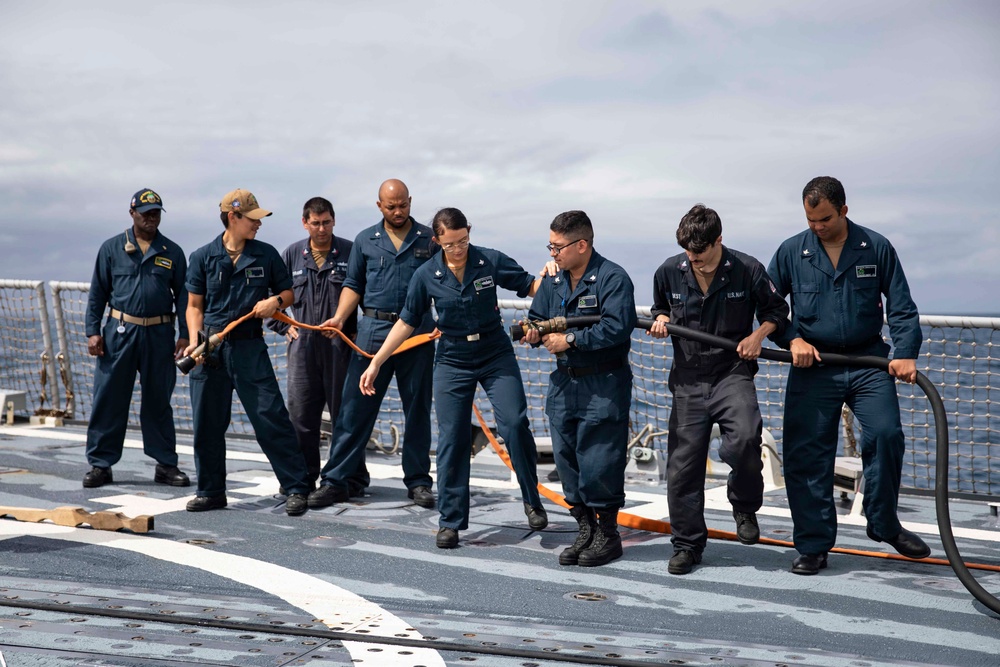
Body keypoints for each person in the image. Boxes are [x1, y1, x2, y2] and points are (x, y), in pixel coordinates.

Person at [768, 176, 930, 575]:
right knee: (806, 454)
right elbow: (769, 308)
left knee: (887, 434)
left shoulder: (875, 247)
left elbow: (903, 308)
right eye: (810, 220)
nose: (818, 227)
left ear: (843, 209)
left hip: (868, 364)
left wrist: (906, 353)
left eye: (824, 218)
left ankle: (883, 522)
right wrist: (793, 340)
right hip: (814, 366)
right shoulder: (791, 252)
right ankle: (813, 545)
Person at [360, 207, 548, 549]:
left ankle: (532, 500)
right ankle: (450, 522)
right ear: (437, 242)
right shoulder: (425, 274)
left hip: (495, 353)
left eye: (463, 241)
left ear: (469, 233)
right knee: (452, 438)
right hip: (452, 359)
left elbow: (531, 286)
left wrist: (554, 276)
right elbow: (406, 321)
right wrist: (376, 362)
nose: (458, 249)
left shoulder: (488, 261)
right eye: (450, 245)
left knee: (514, 423)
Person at [648, 204, 789, 575]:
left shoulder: (748, 269)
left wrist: (758, 335)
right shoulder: (668, 271)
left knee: (744, 438)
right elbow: (659, 308)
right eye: (690, 256)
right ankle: (687, 545)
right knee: (682, 468)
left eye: (703, 255)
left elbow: (777, 311)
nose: (696, 262)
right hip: (688, 378)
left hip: (732, 372)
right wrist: (660, 319)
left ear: (719, 241)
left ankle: (743, 503)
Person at [307, 179, 437, 509]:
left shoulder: (428, 239)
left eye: (403, 205)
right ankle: (336, 479)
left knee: (417, 410)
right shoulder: (365, 240)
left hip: (418, 334)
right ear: (379, 206)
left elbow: (444, 282)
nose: (398, 211)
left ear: (411, 201)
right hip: (373, 331)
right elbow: (354, 285)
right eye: (390, 206)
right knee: (353, 409)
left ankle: (419, 481)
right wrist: (338, 318)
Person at [182, 188, 312, 516]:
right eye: (252, 218)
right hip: (210, 348)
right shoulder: (201, 257)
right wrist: (194, 342)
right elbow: (194, 305)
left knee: (270, 416)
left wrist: (276, 302)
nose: (258, 224)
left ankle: (296, 487)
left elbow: (288, 293)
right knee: (207, 422)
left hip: (250, 347)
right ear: (232, 218)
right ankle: (210, 491)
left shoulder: (266, 255)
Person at [523, 210, 635, 567]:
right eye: (551, 247)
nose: (552, 254)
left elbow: (618, 328)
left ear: (581, 245)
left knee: (600, 460)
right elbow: (538, 317)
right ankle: (584, 528)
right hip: (564, 384)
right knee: (567, 459)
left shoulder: (613, 278)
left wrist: (569, 338)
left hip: (602, 384)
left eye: (558, 247)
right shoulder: (554, 281)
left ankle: (608, 533)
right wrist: (533, 331)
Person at [82, 188, 191, 488]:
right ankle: (101, 465)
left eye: (156, 212)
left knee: (159, 399)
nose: (152, 218)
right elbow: (97, 294)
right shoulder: (111, 249)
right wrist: (93, 331)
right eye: (146, 213)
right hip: (119, 333)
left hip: (159, 334)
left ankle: (166, 464)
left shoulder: (172, 252)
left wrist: (185, 334)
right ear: (132, 214)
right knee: (109, 399)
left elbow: (184, 297)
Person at [267, 197, 356, 489]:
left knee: (346, 413)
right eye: (315, 223)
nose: (321, 229)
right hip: (302, 346)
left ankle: (348, 477)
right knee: (301, 415)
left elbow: (364, 295)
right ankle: (303, 476)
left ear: (334, 220)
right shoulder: (292, 255)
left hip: (340, 346)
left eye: (326, 222)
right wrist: (283, 325)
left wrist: (354, 332)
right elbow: (271, 297)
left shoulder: (351, 252)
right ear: (305, 223)